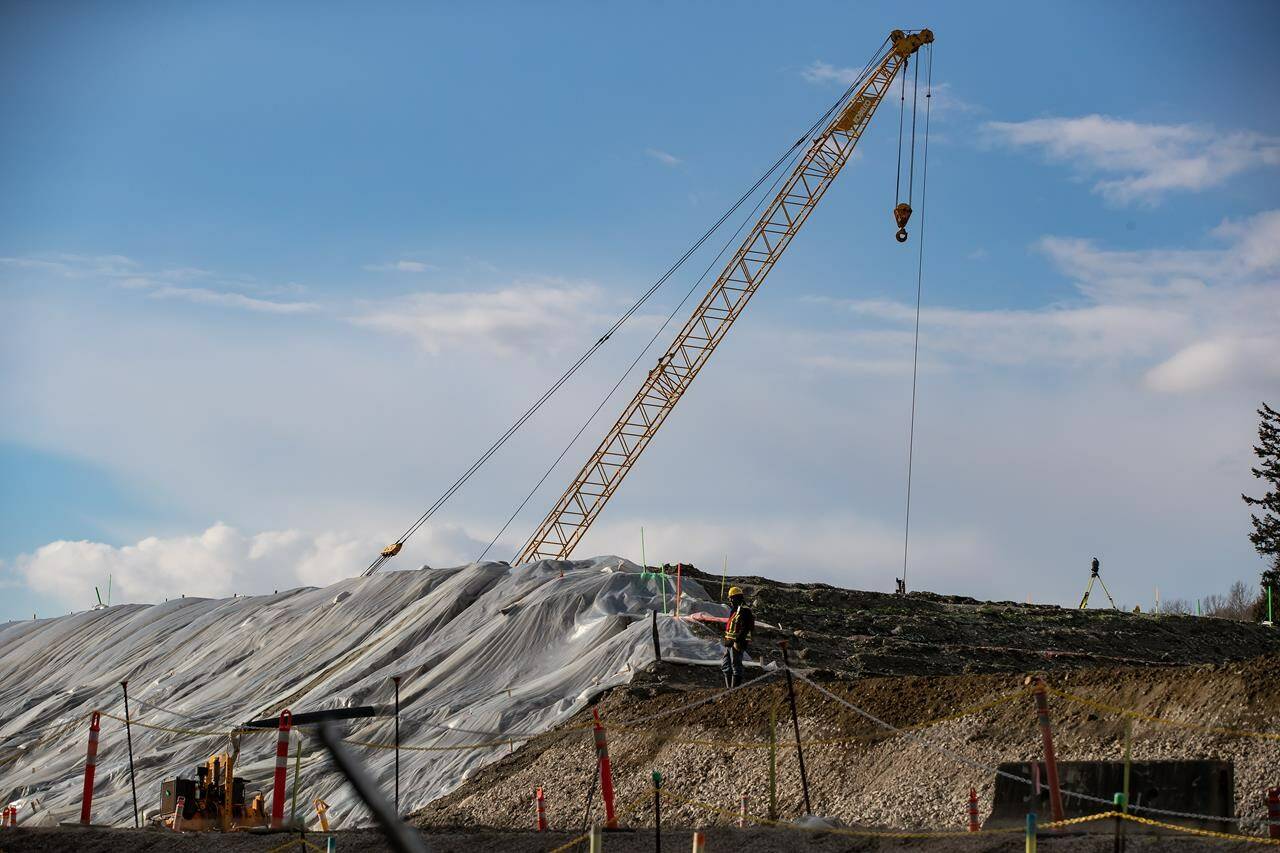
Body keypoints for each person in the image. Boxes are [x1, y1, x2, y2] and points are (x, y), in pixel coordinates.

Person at [721, 586, 754, 688]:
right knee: (726, 665)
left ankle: (734, 690)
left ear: (736, 598)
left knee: (736, 665)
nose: (730, 601)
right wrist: (727, 639)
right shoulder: (735, 610)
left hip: (737, 643)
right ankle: (729, 688)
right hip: (729, 642)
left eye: (731, 598)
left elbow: (748, 627)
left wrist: (737, 641)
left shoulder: (745, 611)